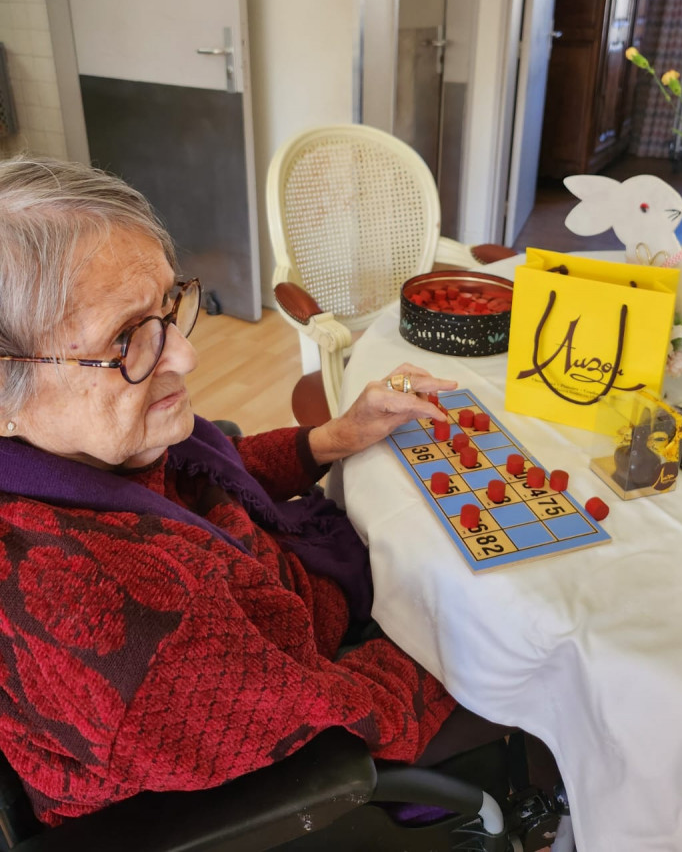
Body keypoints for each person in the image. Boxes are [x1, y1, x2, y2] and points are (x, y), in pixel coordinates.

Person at [0, 156, 493, 827]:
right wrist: (463, 629)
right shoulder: (146, 632)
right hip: (292, 775)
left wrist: (331, 438)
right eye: (125, 337)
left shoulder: (77, 446)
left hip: (288, 631)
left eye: (169, 307)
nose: (185, 356)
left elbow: (202, 482)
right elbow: (347, 722)